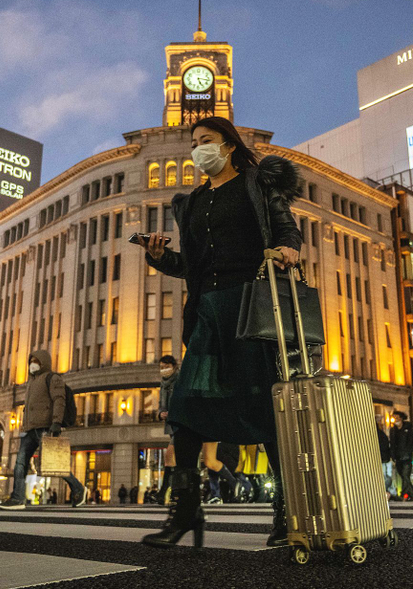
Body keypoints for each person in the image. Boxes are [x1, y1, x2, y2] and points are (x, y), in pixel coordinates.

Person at [138, 116, 302, 549]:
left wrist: (288, 249)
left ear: (228, 146)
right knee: (186, 406)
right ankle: (187, 510)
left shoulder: (256, 183)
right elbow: (190, 267)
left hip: (250, 307)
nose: (198, 149)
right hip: (208, 313)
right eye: (194, 143)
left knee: (264, 407)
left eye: (206, 141)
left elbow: (287, 229)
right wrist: (158, 258)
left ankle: (286, 512)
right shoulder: (191, 203)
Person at [0, 350, 88, 509]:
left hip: (45, 428)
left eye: (36, 361)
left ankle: (78, 488)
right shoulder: (31, 382)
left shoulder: (52, 378)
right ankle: (18, 498)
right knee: (20, 463)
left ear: (43, 362)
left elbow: (59, 400)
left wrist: (56, 422)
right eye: (31, 361)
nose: (33, 364)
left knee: (55, 464)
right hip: (30, 429)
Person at [156, 355, 178, 505]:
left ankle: (163, 492)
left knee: (169, 457)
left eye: (166, 367)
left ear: (174, 366)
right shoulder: (163, 384)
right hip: (171, 425)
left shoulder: (180, 379)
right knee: (176, 461)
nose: (164, 370)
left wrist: (174, 412)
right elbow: (160, 404)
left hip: (181, 423)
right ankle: (173, 493)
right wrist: (160, 413)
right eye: (161, 367)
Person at [390, 411, 413, 501]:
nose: (395, 419)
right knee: (403, 476)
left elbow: (410, 442)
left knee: (405, 474)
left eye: (397, 417)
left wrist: (408, 453)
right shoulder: (393, 430)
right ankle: (411, 493)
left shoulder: (408, 428)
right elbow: (392, 443)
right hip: (398, 457)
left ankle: (403, 493)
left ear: (401, 418)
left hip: (407, 457)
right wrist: (393, 456)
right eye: (394, 417)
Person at [377, 415, 393, 498]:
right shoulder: (379, 433)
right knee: (385, 476)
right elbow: (384, 446)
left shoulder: (380, 433)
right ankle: (385, 492)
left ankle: (385, 492)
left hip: (383, 458)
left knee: (384, 476)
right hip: (382, 459)